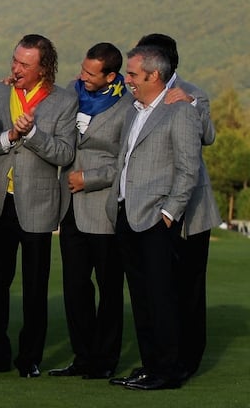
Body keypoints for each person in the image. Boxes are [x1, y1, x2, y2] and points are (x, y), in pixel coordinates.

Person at [0, 33, 77, 378]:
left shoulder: (64, 101)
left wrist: (32, 135)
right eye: (14, 61)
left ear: (44, 68)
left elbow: (65, 153)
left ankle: (29, 358)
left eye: (24, 64)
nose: (15, 69)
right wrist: (9, 137)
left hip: (38, 206)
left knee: (35, 289)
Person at [105, 44, 201, 391]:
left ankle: (168, 371)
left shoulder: (180, 113)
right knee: (142, 299)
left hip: (157, 222)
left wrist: (168, 214)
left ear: (154, 75)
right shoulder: (133, 111)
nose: (127, 79)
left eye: (132, 73)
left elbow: (188, 171)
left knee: (162, 299)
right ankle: (150, 367)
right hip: (126, 216)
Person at [134, 33, 221, 379]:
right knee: (159, 290)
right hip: (153, 207)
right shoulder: (139, 93)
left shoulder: (193, 92)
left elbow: (209, 136)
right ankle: (163, 357)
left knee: (189, 288)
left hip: (193, 213)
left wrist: (191, 105)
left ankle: (189, 360)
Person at [48, 43, 130, 380]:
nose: (82, 77)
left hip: (103, 208)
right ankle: (82, 357)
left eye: (90, 73)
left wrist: (91, 179)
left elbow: (126, 162)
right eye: (82, 69)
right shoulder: (72, 92)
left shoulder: (129, 106)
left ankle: (105, 360)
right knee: (75, 287)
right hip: (70, 208)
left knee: (109, 289)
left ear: (111, 75)